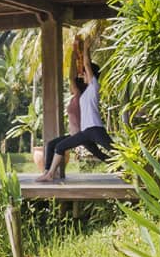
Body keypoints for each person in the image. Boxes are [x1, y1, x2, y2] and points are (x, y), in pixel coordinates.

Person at [38, 38, 112, 182]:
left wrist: (85, 48)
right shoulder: (84, 93)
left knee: (116, 152)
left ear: (91, 76)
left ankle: (134, 171)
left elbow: (86, 64)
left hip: (95, 129)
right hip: (86, 132)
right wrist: (76, 53)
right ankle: (50, 174)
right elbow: (77, 73)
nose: (82, 75)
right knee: (59, 146)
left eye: (84, 73)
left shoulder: (93, 86)